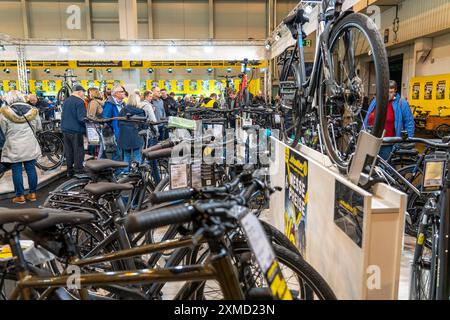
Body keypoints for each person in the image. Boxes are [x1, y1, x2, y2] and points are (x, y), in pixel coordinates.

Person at [0, 90, 42, 204]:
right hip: (29, 144)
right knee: (31, 169)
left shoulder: (4, 113)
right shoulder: (33, 111)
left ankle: (20, 196)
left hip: (13, 146)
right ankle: (32, 194)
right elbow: (38, 128)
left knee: (16, 171)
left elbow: (3, 130)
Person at [364, 80, 415, 160]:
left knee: (384, 169)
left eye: (391, 92)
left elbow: (409, 123)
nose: (388, 95)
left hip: (388, 145)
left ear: (395, 92)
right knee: (368, 168)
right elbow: (367, 118)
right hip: (371, 142)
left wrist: (408, 141)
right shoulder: (375, 101)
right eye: (386, 92)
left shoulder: (402, 103)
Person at [61, 85, 87, 177]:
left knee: (69, 151)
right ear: (79, 92)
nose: (84, 94)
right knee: (78, 151)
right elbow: (81, 118)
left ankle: (70, 170)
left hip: (65, 130)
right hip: (76, 130)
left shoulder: (66, 101)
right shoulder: (80, 102)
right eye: (83, 92)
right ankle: (78, 170)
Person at [117, 93, 146, 172]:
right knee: (137, 155)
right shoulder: (140, 111)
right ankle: (137, 173)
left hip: (124, 137)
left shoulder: (123, 110)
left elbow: (118, 123)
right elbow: (144, 126)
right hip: (137, 136)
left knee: (126, 155)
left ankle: (125, 175)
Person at [140, 90, 160, 183]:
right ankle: (157, 181)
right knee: (152, 157)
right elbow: (153, 119)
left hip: (142, 133)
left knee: (144, 155)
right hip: (150, 133)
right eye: (150, 97)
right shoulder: (147, 105)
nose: (151, 98)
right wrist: (157, 131)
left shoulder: (140, 104)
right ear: (146, 96)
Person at [102, 84, 126, 160]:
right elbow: (105, 118)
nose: (124, 93)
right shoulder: (109, 104)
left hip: (122, 131)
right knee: (116, 154)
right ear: (116, 93)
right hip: (114, 133)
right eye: (122, 91)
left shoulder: (122, 103)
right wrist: (112, 129)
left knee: (121, 153)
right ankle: (117, 171)